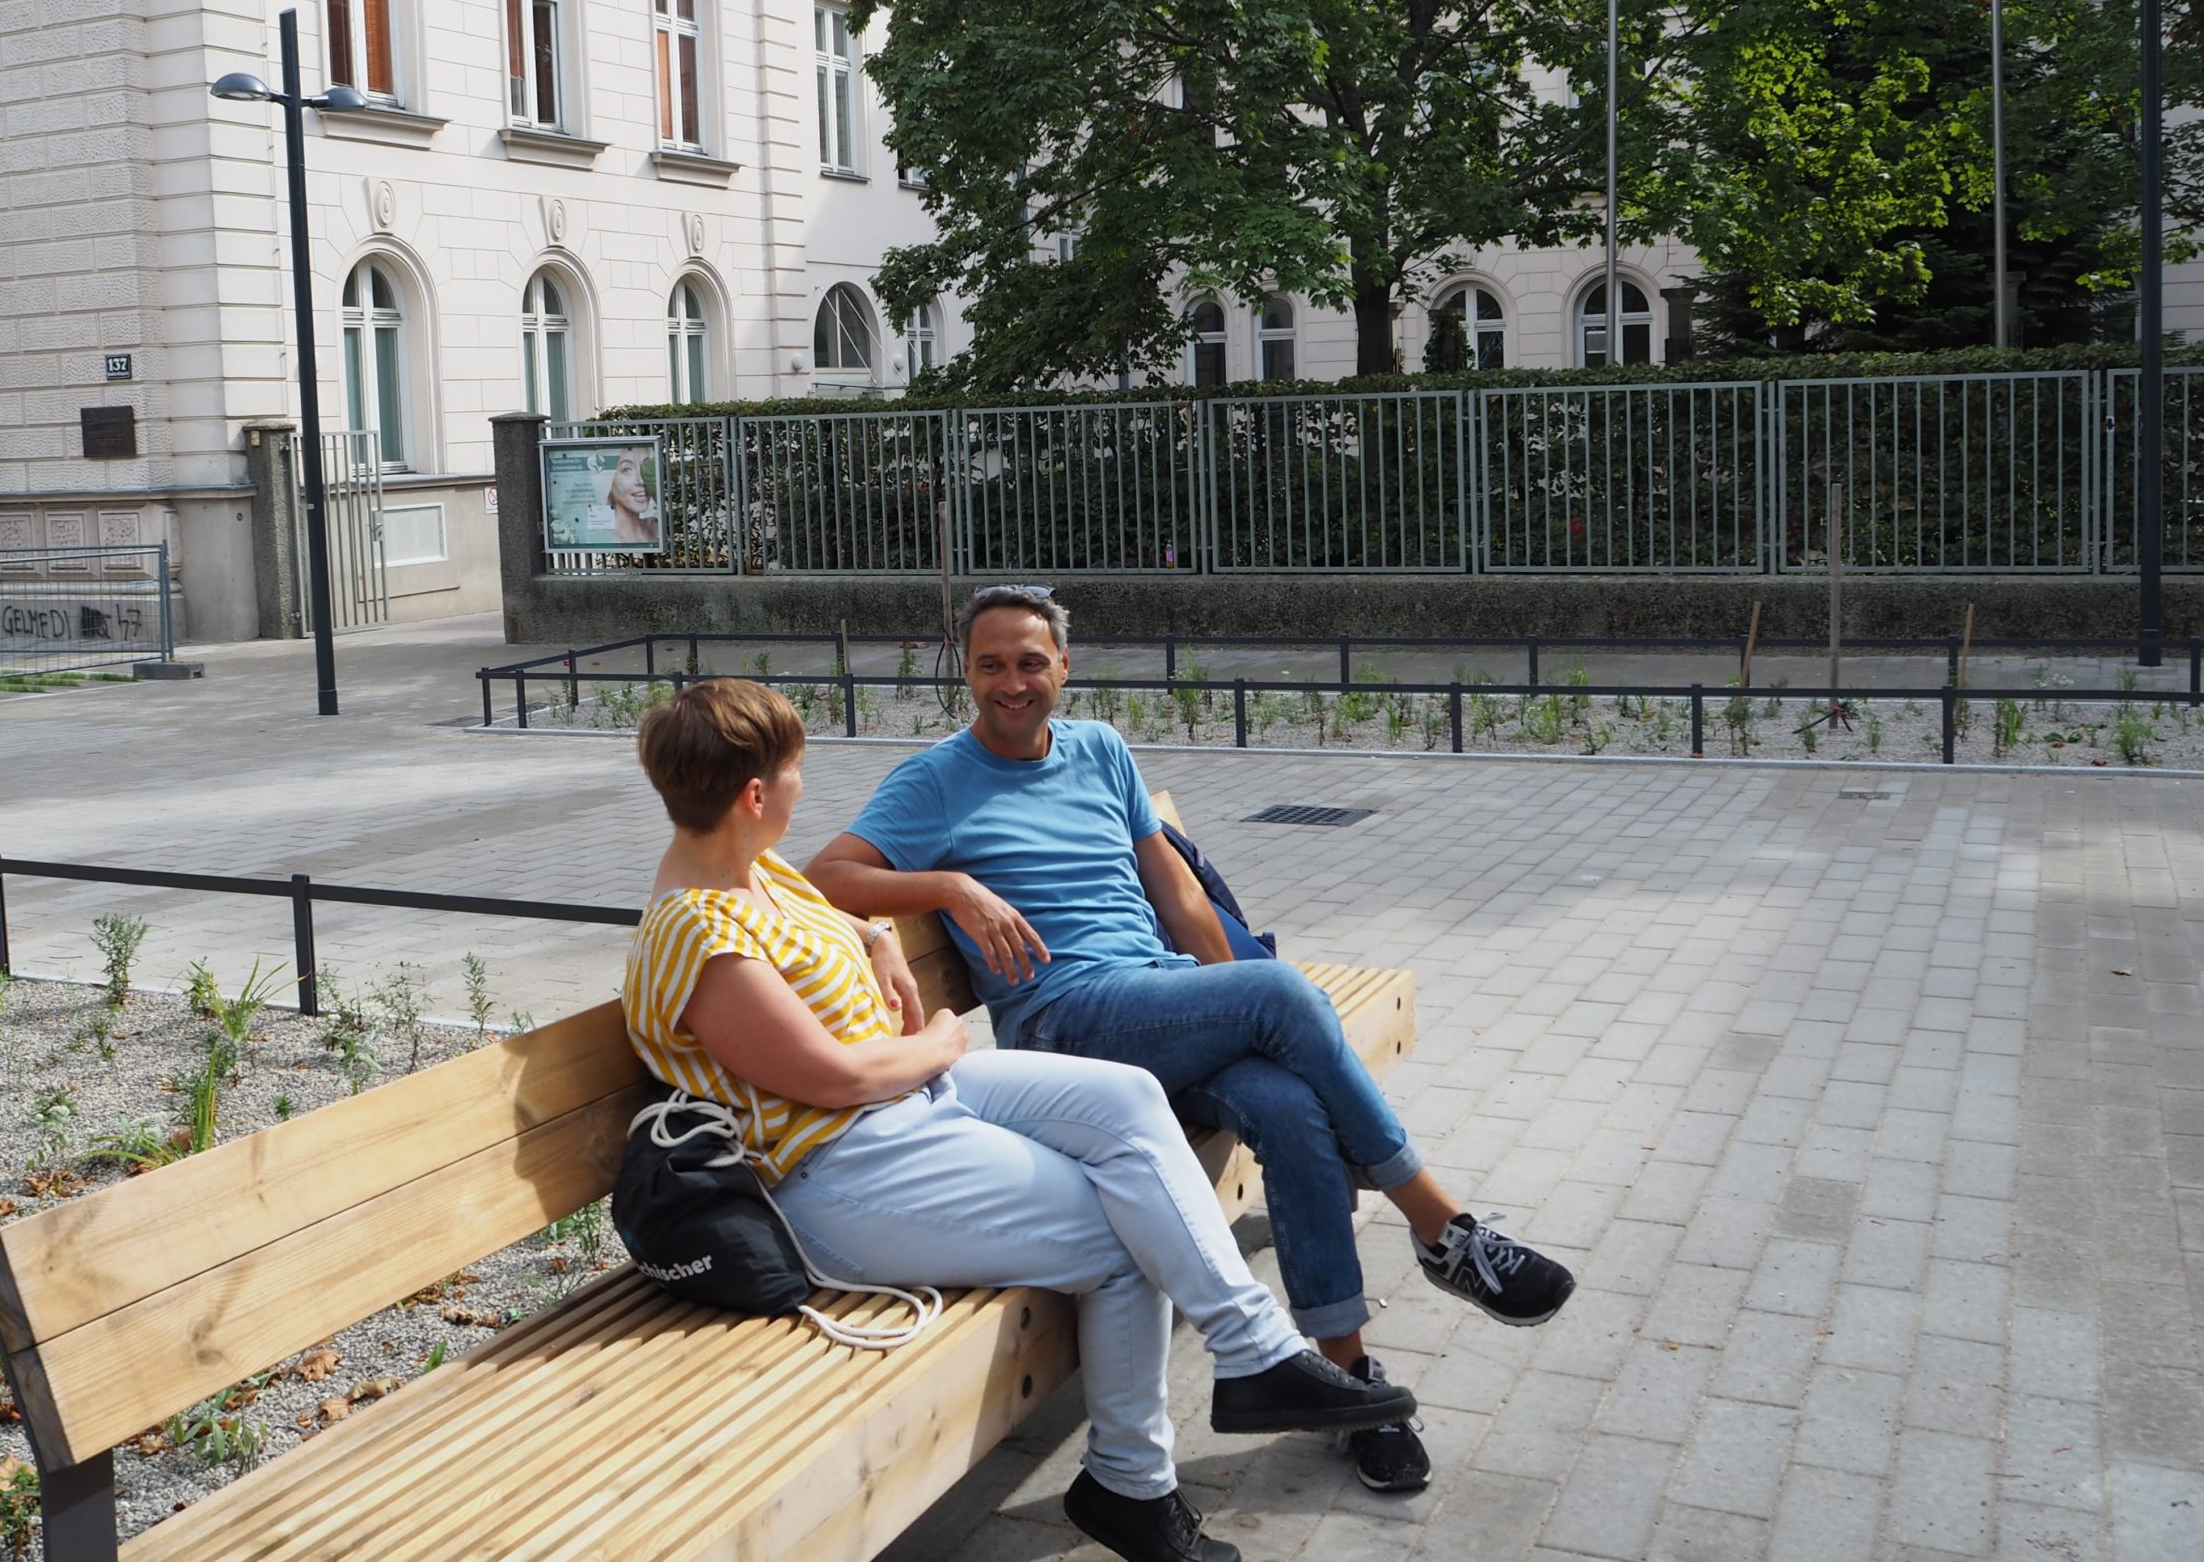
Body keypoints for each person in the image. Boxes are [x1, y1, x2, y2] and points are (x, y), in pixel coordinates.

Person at [621, 679, 1415, 1562]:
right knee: (1125, 1233)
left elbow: (839, 900)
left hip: (915, 1107)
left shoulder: (752, 867)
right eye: (795, 772)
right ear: (754, 796)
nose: (805, 784)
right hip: (841, 1174)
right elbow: (833, 1076)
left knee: (1128, 1099)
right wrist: (936, 1040)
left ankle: (1252, 1352)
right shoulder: (697, 933)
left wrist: (881, 939)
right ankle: (1132, 1484)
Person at [806, 589, 1576, 1495]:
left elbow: (1176, 896)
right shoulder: (935, 779)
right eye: (989, 663)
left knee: (1289, 1106)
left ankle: (1349, 1378)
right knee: (1285, 992)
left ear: (1063, 666)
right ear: (965, 670)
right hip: (1066, 1025)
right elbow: (825, 875)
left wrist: (1234, 997)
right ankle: (1441, 1227)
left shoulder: (1099, 749)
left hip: (1163, 1003)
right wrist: (951, 889)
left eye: (1029, 661)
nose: (1010, 682)